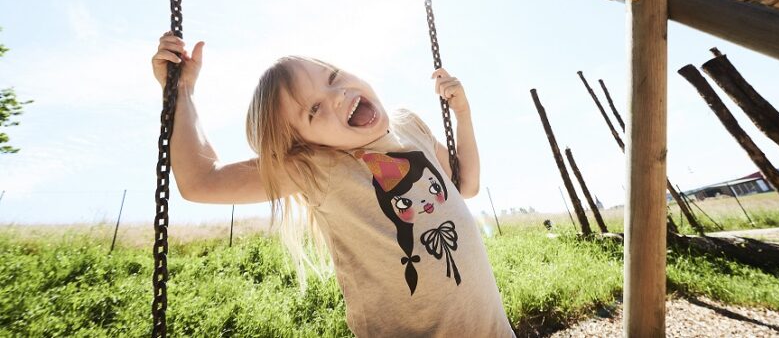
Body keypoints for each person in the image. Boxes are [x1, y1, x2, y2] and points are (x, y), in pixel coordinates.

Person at [151, 31, 515, 337]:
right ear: (304, 143)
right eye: (314, 110)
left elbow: (465, 183)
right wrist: (181, 92)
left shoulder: (410, 125)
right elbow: (202, 181)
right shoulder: (319, 167)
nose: (338, 95)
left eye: (333, 77)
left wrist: (462, 115)